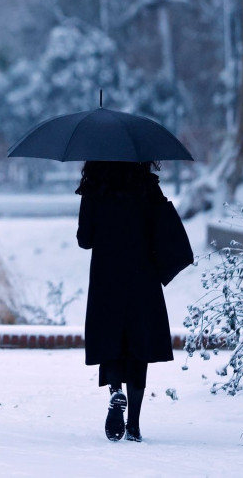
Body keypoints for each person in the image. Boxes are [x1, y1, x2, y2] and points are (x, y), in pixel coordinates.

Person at [76, 160, 192, 443]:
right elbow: (161, 229)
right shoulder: (147, 187)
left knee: (111, 339)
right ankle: (135, 426)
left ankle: (116, 390)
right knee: (139, 344)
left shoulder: (95, 187)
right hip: (143, 276)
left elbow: (84, 239)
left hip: (107, 277)